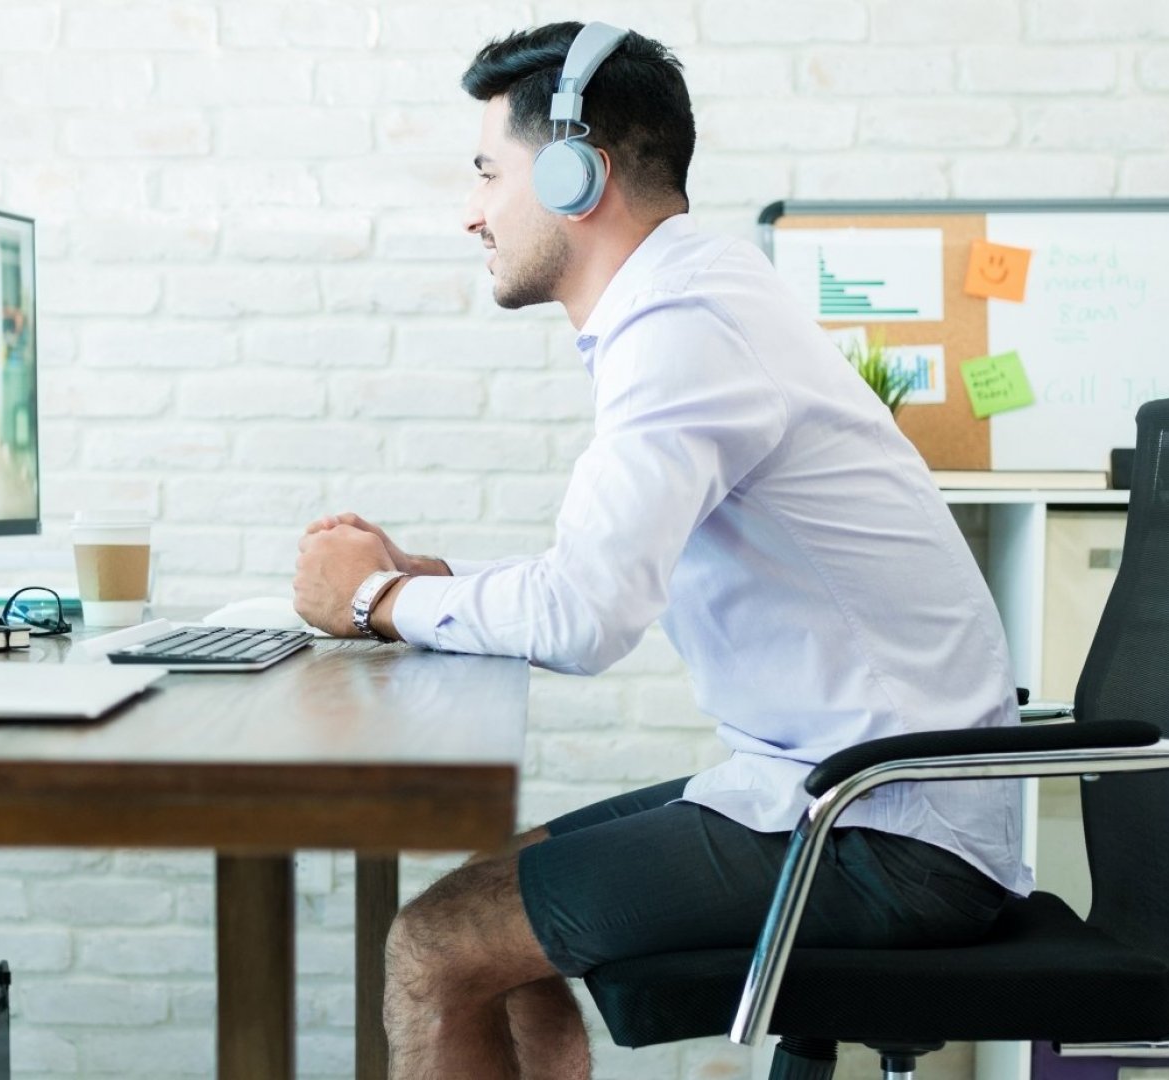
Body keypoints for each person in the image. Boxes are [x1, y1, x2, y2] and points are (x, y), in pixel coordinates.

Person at [289, 22, 1027, 1080]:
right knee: (507, 902)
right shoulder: (694, 301)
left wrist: (370, 598)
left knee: (434, 946)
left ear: (572, 172)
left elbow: (585, 619)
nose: (471, 211)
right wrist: (420, 587)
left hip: (881, 833)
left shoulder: (682, 328)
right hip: (845, 793)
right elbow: (590, 573)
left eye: (489, 173)